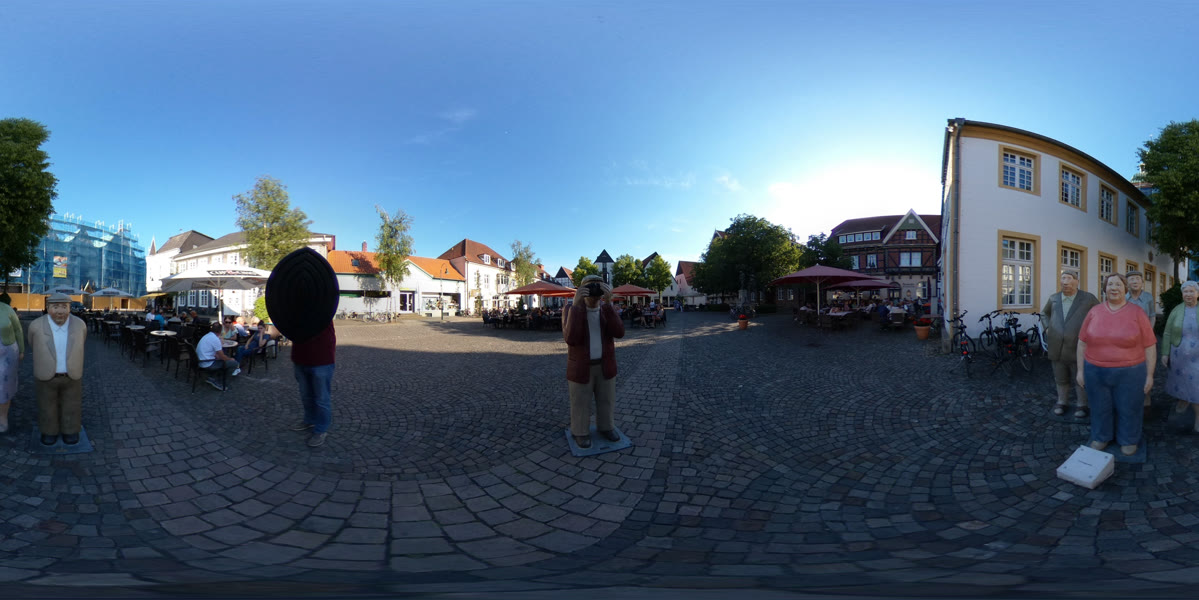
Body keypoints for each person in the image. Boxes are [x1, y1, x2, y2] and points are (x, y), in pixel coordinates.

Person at [1077, 273, 1157, 456]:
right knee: (1099, 406)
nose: (1114, 288)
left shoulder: (1137, 313)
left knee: (1129, 407)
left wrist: (1150, 375)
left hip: (1131, 372)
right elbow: (1082, 342)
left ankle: (1129, 438)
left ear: (1125, 289)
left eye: (1118, 285)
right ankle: (1101, 436)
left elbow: (1150, 345)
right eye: (1110, 284)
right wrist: (1080, 371)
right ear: (1105, 289)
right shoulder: (1094, 312)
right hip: (1095, 371)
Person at [563, 275, 625, 448]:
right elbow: (571, 338)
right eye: (590, 288)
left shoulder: (606, 310)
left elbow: (619, 332)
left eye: (598, 288)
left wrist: (609, 304)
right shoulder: (570, 309)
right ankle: (580, 431)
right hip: (581, 366)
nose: (594, 293)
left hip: (605, 365)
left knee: (607, 399)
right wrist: (576, 306)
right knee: (580, 401)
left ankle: (607, 426)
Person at [27, 293, 87, 445]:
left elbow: (83, 341)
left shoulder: (80, 325)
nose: (60, 311)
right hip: (46, 374)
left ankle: (70, 430)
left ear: (70, 308)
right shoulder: (36, 325)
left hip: (72, 374)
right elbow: (32, 343)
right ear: (48, 308)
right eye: (55, 307)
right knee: (46, 404)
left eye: (64, 307)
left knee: (72, 404)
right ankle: (49, 431)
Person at [1041, 270, 1099, 418]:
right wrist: (1047, 328)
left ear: (1077, 281)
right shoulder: (1054, 298)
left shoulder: (1088, 298)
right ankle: (1062, 402)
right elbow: (1044, 313)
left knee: (1079, 378)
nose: (1065, 282)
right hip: (1057, 347)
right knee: (1060, 377)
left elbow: (1099, 315)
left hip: (1078, 347)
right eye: (1063, 278)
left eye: (1069, 278)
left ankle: (1082, 404)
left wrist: (1092, 332)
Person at [1162, 281, 1199, 431]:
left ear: (1197, 294)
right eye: (1185, 292)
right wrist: (1165, 353)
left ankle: (1198, 417)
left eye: (1191, 291)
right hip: (1179, 355)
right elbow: (1167, 332)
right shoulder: (1177, 310)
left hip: (1197, 357)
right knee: (1181, 381)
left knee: (1196, 385)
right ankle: (1184, 399)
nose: (1188, 294)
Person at [291, 322, 336, 447]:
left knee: (321, 399)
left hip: (322, 358)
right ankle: (309, 419)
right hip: (300, 357)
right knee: (306, 395)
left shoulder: (323, 310)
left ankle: (321, 429)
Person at [1126, 270, 1156, 415]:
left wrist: (1149, 333)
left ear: (1142, 282)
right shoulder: (1124, 298)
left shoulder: (1148, 297)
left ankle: (1146, 400)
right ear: (1127, 283)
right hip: (1127, 340)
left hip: (1144, 340)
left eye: (1137, 279)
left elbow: (1152, 316)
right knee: (1128, 369)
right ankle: (1129, 399)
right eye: (1132, 279)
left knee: (1146, 369)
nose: (1135, 282)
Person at [0, 293, 24, 433]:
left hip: (7, 353)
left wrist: (22, 349)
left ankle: (2, 417)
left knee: (4, 386)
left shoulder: (6, 309)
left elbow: (18, 330)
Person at [197, 322, 239, 391]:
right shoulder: (215, 339)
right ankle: (220, 382)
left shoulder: (207, 336)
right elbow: (222, 356)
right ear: (220, 330)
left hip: (200, 361)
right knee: (234, 363)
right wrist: (230, 359)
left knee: (224, 357)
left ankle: (212, 377)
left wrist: (222, 357)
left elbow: (215, 353)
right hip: (207, 363)